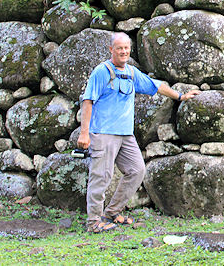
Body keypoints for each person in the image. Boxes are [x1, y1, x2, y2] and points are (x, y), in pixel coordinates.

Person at [77, 32, 200, 233]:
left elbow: (155, 86)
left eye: (126, 48)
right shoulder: (101, 72)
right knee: (101, 177)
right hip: (103, 133)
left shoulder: (132, 73)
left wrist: (180, 96)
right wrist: (84, 133)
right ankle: (93, 222)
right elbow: (88, 101)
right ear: (111, 50)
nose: (124, 51)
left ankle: (111, 213)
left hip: (126, 135)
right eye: (119, 48)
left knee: (136, 170)